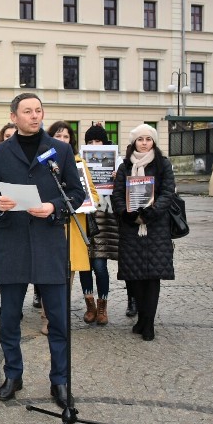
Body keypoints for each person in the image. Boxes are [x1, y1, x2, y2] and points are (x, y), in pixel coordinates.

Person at [0, 93, 85, 409]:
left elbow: (76, 193)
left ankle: (60, 381)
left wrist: (54, 207)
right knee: (10, 316)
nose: (34, 116)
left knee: (59, 319)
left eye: (38, 111)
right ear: (14, 117)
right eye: (27, 111)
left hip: (49, 242)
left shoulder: (61, 150)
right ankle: (13, 374)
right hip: (12, 244)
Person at [111, 124, 176, 342]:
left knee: (152, 277)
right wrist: (127, 213)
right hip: (131, 229)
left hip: (156, 228)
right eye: (140, 139)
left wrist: (151, 213)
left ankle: (149, 323)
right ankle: (142, 318)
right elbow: (117, 194)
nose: (144, 142)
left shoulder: (163, 164)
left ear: (154, 142)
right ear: (134, 143)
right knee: (134, 277)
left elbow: (168, 193)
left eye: (148, 139)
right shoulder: (125, 167)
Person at [46, 121, 100, 328]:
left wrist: (87, 203)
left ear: (71, 141)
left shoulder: (79, 163)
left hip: (75, 226)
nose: (61, 140)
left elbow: (92, 193)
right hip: (51, 224)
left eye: (66, 137)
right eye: (57, 136)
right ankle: (49, 315)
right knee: (50, 272)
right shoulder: (43, 162)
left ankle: (61, 315)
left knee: (68, 273)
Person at [78, 124, 124, 324]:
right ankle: (90, 305)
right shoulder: (79, 161)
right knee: (84, 264)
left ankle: (103, 306)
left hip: (105, 215)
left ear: (105, 143)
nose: (95, 145)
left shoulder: (117, 161)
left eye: (98, 141)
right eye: (90, 142)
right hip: (86, 214)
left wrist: (118, 179)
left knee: (100, 265)